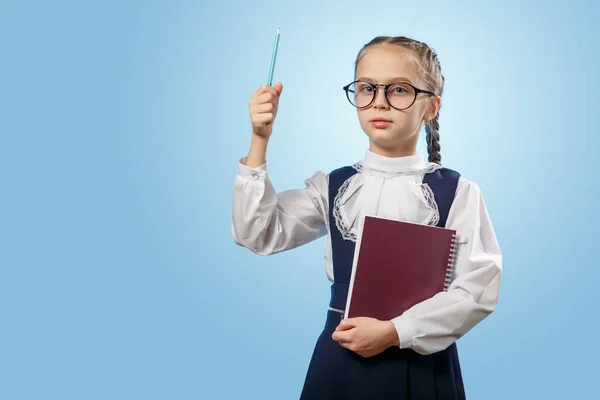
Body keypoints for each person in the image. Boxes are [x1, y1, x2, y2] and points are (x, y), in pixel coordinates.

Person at [231, 35, 502, 399]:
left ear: (431, 106)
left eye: (400, 90)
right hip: (341, 358)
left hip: (421, 363)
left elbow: (478, 290)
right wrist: (259, 139)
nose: (380, 102)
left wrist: (395, 331)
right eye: (366, 88)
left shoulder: (457, 191)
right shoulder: (335, 186)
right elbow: (257, 233)